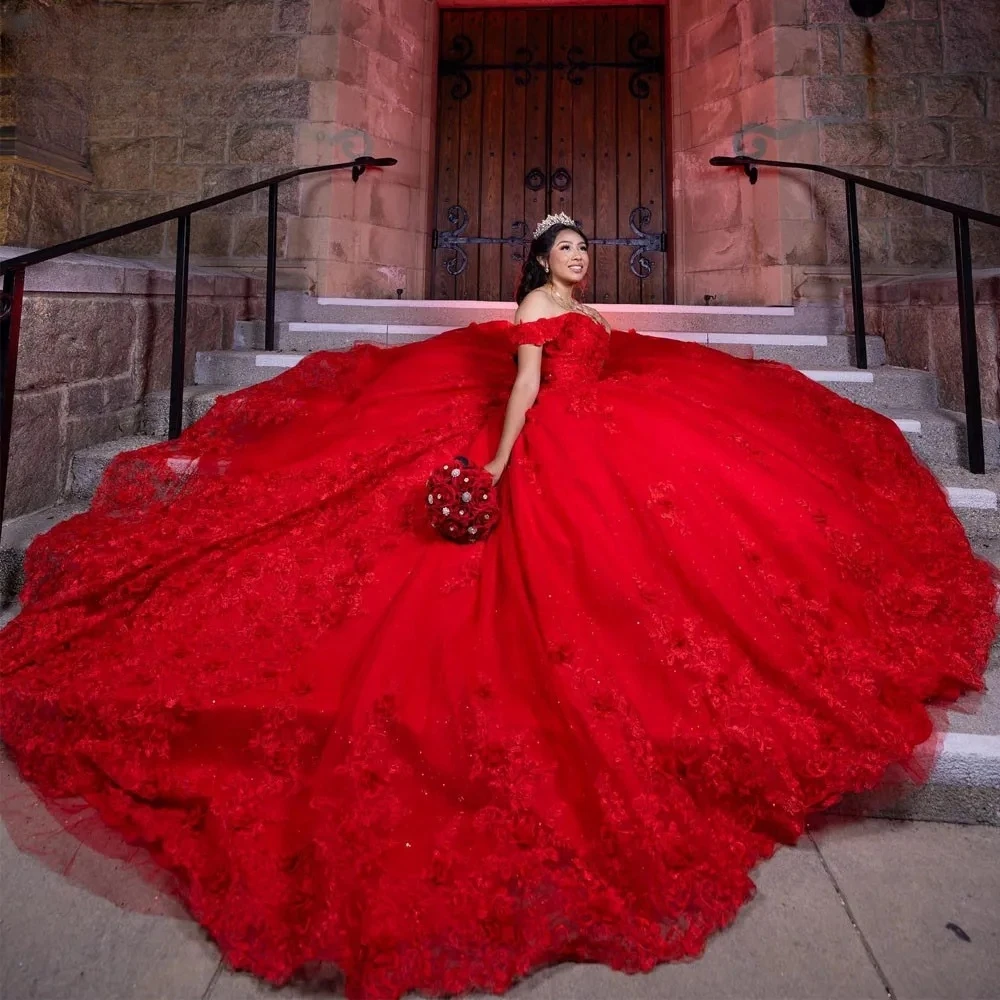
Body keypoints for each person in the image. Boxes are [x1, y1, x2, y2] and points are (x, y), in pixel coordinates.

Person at [1, 213, 994, 1000]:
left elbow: (600, 355)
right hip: (554, 442)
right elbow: (523, 393)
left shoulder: (585, 314)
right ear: (539, 259)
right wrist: (499, 464)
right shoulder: (529, 314)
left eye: (585, 249)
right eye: (566, 248)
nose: (582, 259)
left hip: (612, 428)